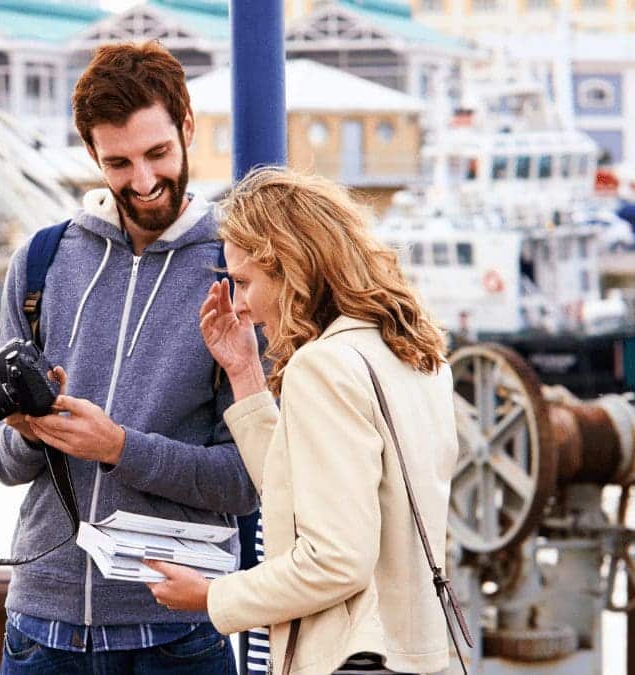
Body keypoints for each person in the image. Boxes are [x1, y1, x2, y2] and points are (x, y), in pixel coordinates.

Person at [0, 41, 257, 673]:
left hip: (176, 634)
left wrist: (118, 447)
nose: (143, 181)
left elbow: (246, 483)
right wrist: (30, 434)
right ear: (91, 154)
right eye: (119, 162)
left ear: (188, 127)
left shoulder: (240, 267)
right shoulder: (39, 262)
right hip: (40, 629)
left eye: (158, 153)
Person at [146, 168, 457, 674]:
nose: (240, 303)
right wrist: (245, 372)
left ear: (289, 266)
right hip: (414, 654)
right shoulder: (416, 355)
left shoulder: (324, 364)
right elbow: (311, 495)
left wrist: (212, 596)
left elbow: (337, 560)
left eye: (244, 282)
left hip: (349, 659)